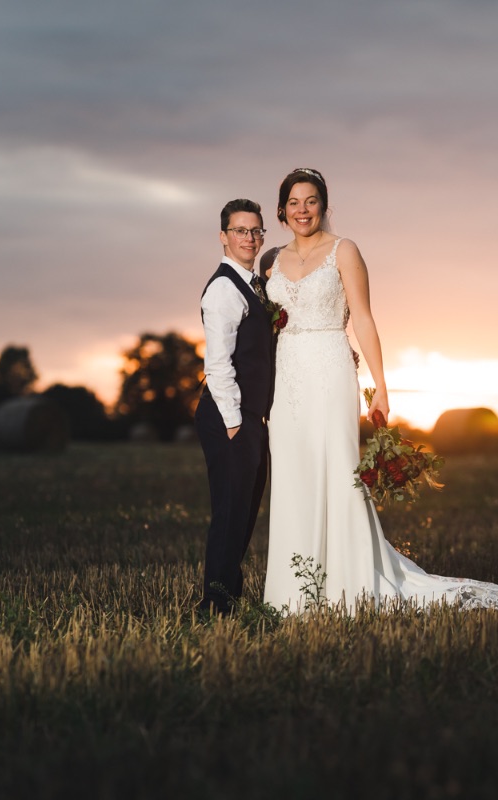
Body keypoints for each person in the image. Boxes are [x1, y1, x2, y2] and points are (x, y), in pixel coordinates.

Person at [259, 168, 498, 612]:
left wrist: (380, 386)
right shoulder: (273, 261)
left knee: (338, 472)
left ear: (323, 206)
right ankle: (294, 596)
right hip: (286, 375)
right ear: (282, 210)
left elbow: (363, 318)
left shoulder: (344, 251)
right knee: (293, 476)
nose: (302, 210)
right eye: (293, 202)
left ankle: (349, 589)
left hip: (330, 368)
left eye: (310, 201)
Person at [194, 198, 275, 615]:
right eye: (240, 231)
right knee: (230, 510)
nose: (250, 238)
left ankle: (227, 592)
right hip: (230, 415)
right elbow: (218, 363)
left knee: (244, 509)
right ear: (224, 236)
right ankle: (215, 602)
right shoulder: (225, 287)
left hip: (248, 417)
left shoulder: (252, 283)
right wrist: (233, 424)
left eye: (256, 230)